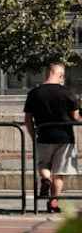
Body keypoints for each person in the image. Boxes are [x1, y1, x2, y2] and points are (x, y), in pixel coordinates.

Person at [24, 61, 80, 215]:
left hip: (43, 135)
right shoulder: (67, 93)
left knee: (43, 165)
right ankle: (53, 203)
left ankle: (45, 179)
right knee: (60, 172)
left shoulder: (34, 93)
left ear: (46, 73)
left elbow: (27, 119)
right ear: (61, 75)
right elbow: (76, 117)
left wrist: (32, 134)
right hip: (65, 137)